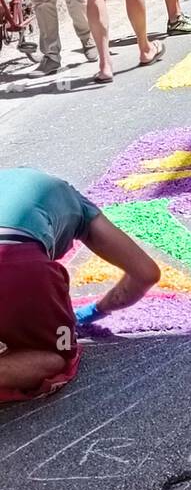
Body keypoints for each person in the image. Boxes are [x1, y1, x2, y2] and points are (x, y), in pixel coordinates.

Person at [0, 167, 160, 402]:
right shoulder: (78, 205)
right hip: (14, 259)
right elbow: (145, 274)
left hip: (14, 262)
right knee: (57, 356)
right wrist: (96, 310)